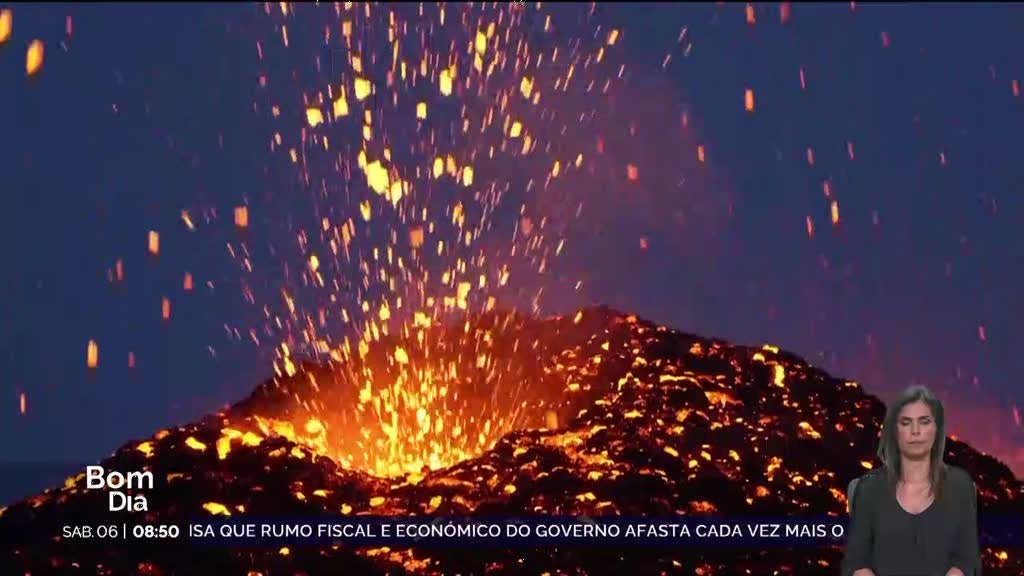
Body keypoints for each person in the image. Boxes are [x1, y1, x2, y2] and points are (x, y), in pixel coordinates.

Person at [842, 384, 981, 576]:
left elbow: (967, 560)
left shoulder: (959, 486)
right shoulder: (869, 488)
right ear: (894, 430)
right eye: (906, 422)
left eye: (924, 422)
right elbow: (856, 562)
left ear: (936, 429)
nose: (915, 431)